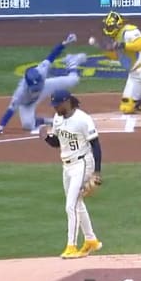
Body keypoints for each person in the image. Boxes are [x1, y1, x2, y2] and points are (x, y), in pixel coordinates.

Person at [39, 89, 104, 259]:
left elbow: (96, 145)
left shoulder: (83, 119)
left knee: (71, 206)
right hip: (67, 166)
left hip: (82, 163)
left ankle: (71, 246)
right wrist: (46, 137)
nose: (55, 108)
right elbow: (57, 143)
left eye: (58, 105)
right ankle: (91, 240)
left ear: (67, 102)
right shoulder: (58, 119)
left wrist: (97, 172)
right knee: (77, 203)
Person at [0, 34, 86, 136]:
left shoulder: (41, 71)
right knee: (28, 125)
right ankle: (48, 121)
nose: (35, 89)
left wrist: (65, 43)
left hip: (45, 87)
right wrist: (0, 127)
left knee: (74, 80)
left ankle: (72, 62)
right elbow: (11, 110)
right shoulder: (20, 93)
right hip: (27, 103)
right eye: (34, 88)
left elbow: (52, 56)